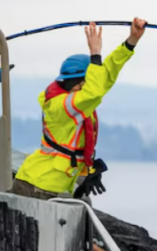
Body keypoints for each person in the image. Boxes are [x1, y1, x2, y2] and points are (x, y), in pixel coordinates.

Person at [11, 18, 147, 201]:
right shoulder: (63, 106)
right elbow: (95, 90)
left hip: (44, 185)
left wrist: (131, 42)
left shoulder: (76, 98)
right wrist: (95, 54)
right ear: (79, 82)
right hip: (36, 185)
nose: (93, 82)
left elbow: (105, 75)